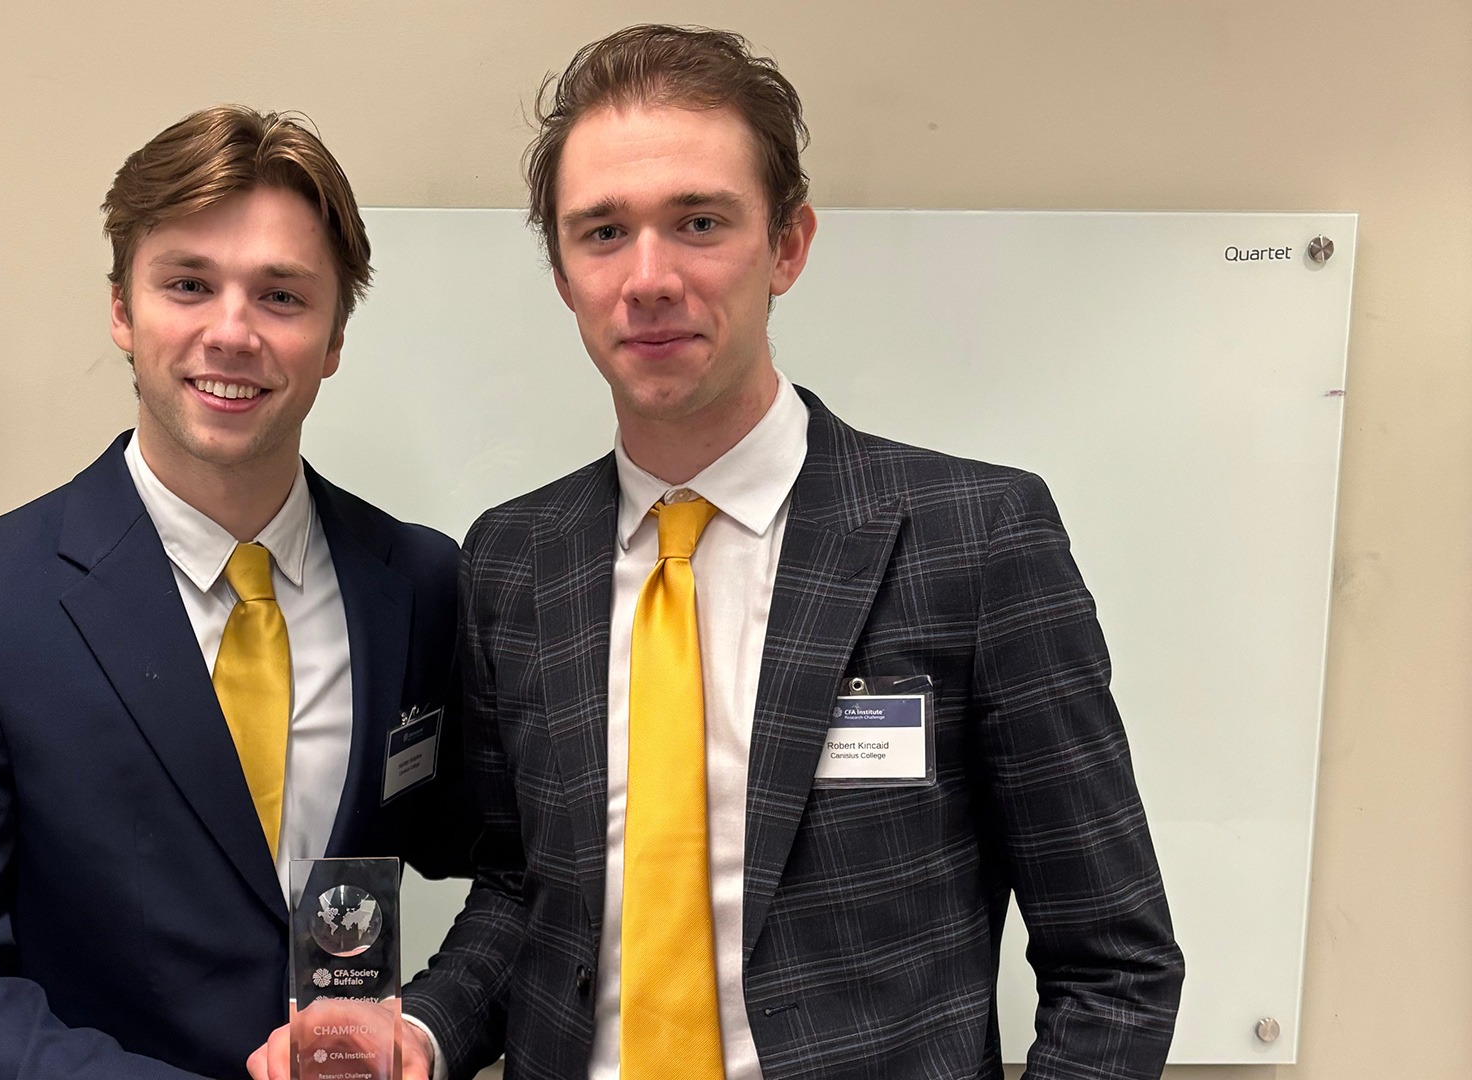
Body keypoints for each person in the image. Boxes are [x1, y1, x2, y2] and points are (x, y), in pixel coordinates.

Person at [253, 23, 1183, 1080]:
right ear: (562, 272)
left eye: (698, 222)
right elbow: (522, 893)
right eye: (604, 232)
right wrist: (419, 1033)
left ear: (788, 245)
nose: (649, 277)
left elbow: (1114, 968)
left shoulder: (973, 538)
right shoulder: (515, 563)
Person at [0, 105, 477, 1080]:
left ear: (334, 338)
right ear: (122, 311)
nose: (232, 332)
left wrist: (426, 1027)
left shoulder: (421, 585)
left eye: (281, 296)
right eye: (188, 285)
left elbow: (521, 871)